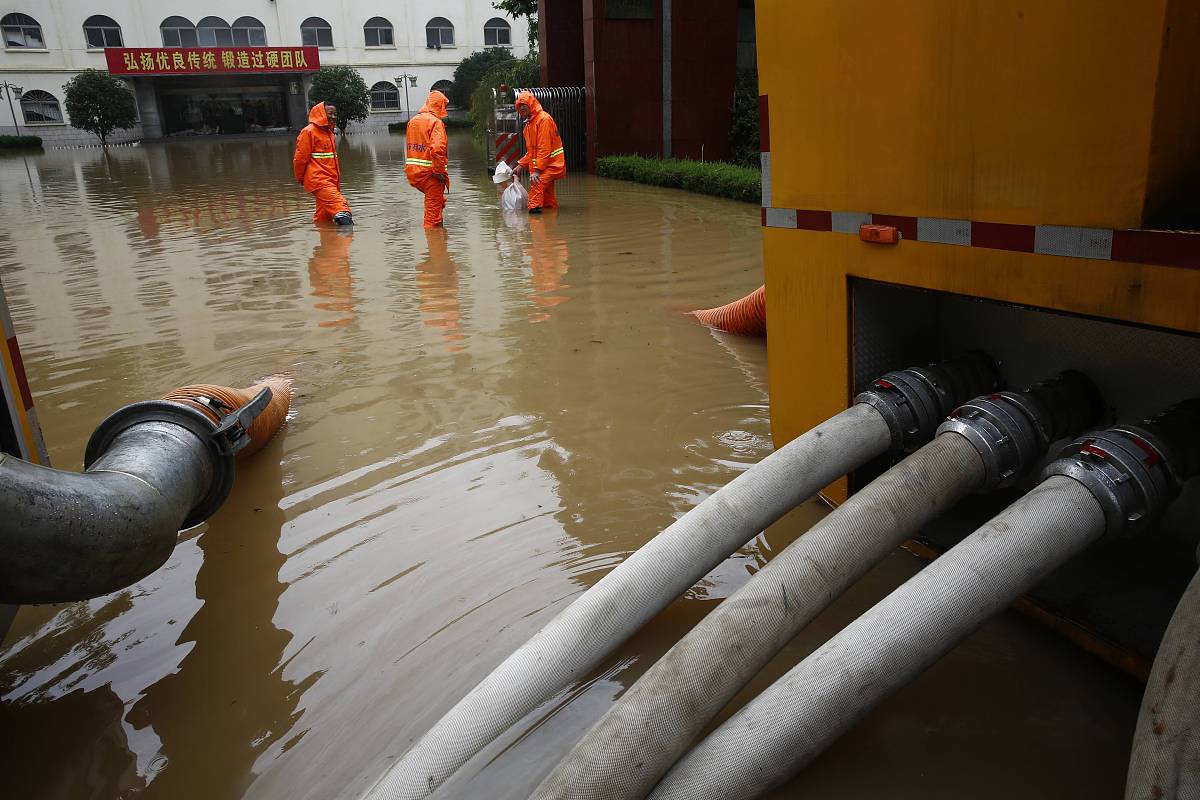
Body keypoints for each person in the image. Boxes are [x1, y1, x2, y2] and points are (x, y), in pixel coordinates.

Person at [293, 101, 352, 226]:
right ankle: (349, 242)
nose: (333, 117)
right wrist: (300, 178)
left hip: (331, 180)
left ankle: (327, 242)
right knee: (342, 209)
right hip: (319, 181)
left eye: (335, 114)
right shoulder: (309, 132)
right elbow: (300, 159)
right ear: (321, 114)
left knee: (324, 219)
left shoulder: (329, 133)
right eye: (330, 113)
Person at [512, 91, 566, 214]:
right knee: (548, 200)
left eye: (524, 104)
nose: (521, 108)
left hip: (551, 165)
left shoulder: (543, 120)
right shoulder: (529, 126)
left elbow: (544, 149)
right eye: (519, 106)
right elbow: (532, 152)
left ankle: (536, 223)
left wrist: (537, 171)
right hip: (545, 166)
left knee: (536, 184)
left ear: (531, 103)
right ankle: (550, 221)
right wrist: (521, 165)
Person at [405, 90, 450, 228]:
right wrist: (438, 172)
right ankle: (436, 245)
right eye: (444, 106)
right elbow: (437, 149)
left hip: (415, 174)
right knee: (432, 218)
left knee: (437, 201)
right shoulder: (435, 122)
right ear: (440, 105)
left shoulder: (413, 121)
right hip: (431, 175)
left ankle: (440, 240)